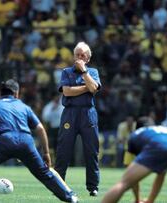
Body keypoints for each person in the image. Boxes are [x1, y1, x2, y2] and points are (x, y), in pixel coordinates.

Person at [54, 42, 101, 196]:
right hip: (70, 113)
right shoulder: (66, 72)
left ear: (88, 58)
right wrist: (86, 87)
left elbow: (94, 89)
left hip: (88, 113)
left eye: (82, 55)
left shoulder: (93, 72)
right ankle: (59, 186)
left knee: (91, 151)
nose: (79, 58)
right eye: (77, 55)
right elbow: (67, 92)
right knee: (63, 150)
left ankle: (93, 187)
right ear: (74, 56)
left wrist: (84, 72)